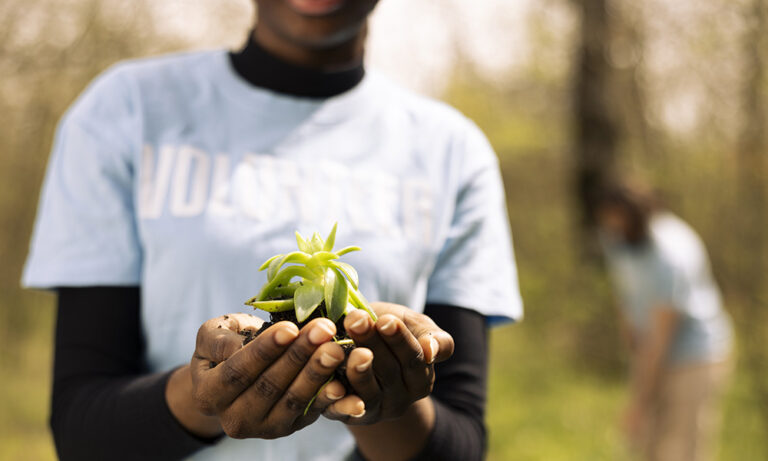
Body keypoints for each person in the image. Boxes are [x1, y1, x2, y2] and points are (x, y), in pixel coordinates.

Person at [22, 1, 523, 460]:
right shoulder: (126, 109)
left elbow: (461, 445)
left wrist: (375, 393)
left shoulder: (452, 151)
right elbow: (81, 429)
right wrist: (206, 395)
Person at [595, 180, 733, 461]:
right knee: (647, 444)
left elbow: (662, 335)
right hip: (651, 348)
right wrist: (632, 343)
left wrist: (639, 401)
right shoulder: (615, 238)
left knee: (682, 450)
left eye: (618, 221)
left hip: (695, 356)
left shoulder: (671, 254)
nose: (612, 227)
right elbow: (624, 291)